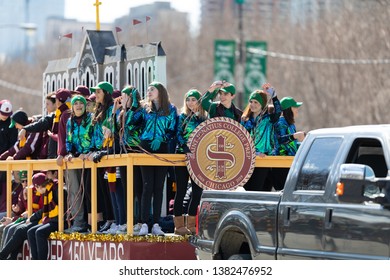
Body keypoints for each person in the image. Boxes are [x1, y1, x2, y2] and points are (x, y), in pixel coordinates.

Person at [130, 81, 177, 235]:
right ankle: (144, 223)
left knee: (159, 187)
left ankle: (156, 223)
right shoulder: (144, 109)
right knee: (147, 186)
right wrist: (133, 106)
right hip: (146, 147)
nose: (149, 91)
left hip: (161, 147)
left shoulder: (171, 109)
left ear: (160, 91)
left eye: (152, 89)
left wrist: (162, 138)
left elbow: (173, 130)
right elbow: (131, 124)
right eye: (148, 89)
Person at [173, 89, 207, 235]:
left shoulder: (204, 117)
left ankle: (192, 224)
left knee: (197, 191)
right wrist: (184, 147)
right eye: (188, 99)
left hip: (197, 158)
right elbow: (178, 134)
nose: (190, 102)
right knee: (180, 190)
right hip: (182, 155)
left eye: (193, 99)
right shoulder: (182, 117)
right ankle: (179, 225)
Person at [113, 85, 143, 234]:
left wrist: (126, 109)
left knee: (138, 189)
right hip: (124, 153)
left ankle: (139, 220)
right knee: (126, 190)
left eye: (125, 96)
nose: (122, 99)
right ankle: (127, 220)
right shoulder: (123, 113)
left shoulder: (138, 112)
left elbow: (131, 125)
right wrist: (115, 112)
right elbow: (115, 130)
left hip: (136, 152)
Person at [241, 83, 281, 191]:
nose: (253, 104)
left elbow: (278, 112)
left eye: (256, 102)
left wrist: (274, 96)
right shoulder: (245, 119)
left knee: (258, 189)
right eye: (251, 102)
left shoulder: (268, 119)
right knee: (247, 189)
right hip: (247, 159)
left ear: (262, 104)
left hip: (263, 159)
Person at [87, 81, 115, 232]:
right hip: (97, 154)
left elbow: (109, 131)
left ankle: (113, 219)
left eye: (99, 92)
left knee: (110, 189)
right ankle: (108, 219)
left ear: (106, 93)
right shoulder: (98, 109)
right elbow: (94, 134)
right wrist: (92, 149)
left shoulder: (111, 109)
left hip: (106, 154)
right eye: (95, 92)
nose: (96, 95)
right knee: (102, 191)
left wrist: (102, 149)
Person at [0, 173, 48, 260]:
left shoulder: (40, 192)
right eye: (23, 181)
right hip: (31, 218)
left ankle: (3, 256)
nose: (25, 183)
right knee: (9, 228)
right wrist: (17, 211)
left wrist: (27, 216)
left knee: (18, 229)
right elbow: (22, 211)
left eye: (27, 181)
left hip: (42, 219)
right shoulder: (25, 192)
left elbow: (41, 210)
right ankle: (8, 257)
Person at [63, 95, 92, 233]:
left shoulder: (91, 119)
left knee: (89, 191)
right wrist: (70, 153)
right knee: (74, 190)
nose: (79, 106)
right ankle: (78, 222)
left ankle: (92, 223)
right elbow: (68, 140)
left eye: (81, 103)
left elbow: (95, 138)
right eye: (76, 104)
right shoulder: (70, 121)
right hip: (75, 159)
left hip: (89, 159)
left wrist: (88, 152)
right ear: (72, 107)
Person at [27, 172, 67, 260]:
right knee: (30, 232)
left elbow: (64, 209)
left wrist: (32, 217)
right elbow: (46, 209)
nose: (36, 191)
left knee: (39, 232)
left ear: (39, 186)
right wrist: (33, 217)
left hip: (61, 221)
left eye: (35, 188)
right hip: (53, 219)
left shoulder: (57, 189)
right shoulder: (48, 190)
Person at [271, 97, 306, 190]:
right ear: (289, 109)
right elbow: (279, 140)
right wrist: (295, 136)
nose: (297, 109)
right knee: (282, 190)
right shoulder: (281, 122)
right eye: (295, 107)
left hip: (289, 162)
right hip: (280, 163)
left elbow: (291, 144)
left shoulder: (290, 123)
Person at [18, 92, 58, 159]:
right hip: (48, 156)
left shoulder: (54, 117)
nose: (46, 107)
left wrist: (25, 129)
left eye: (48, 104)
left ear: (55, 104)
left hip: (53, 157)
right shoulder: (52, 118)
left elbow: (40, 124)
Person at [0, 99, 17, 219]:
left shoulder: (12, 124)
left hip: (5, 159)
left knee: (4, 184)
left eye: (7, 115)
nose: (5, 117)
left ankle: (2, 210)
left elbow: (13, 143)